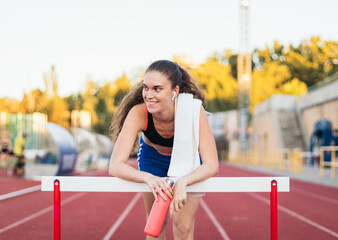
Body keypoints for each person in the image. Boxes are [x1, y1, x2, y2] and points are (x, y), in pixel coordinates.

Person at [109, 60, 219, 239]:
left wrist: (184, 182)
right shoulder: (139, 112)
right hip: (152, 160)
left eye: (157, 89)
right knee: (156, 226)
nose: (148, 95)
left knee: (183, 227)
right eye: (146, 88)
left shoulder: (193, 110)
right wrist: (148, 178)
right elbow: (115, 165)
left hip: (187, 160)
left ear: (174, 91)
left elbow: (212, 164)